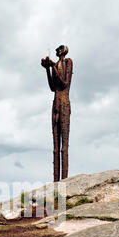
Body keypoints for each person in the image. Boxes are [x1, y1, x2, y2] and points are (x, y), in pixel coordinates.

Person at [41, 45, 73, 181]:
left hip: (64, 102)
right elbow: (52, 87)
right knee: (55, 147)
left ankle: (64, 181)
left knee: (63, 147)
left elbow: (64, 83)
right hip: (56, 103)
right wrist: (47, 69)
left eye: (58, 49)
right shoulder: (56, 65)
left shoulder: (67, 62)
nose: (56, 51)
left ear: (63, 50)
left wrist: (53, 65)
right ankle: (55, 183)